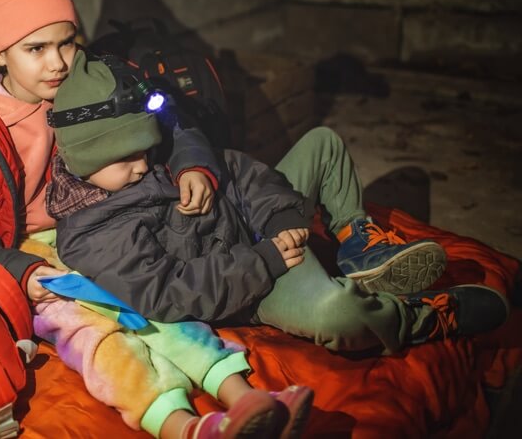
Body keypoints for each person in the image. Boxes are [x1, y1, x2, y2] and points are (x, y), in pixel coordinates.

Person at [0, 0, 308, 439]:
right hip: (33, 251)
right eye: (36, 49)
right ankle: (181, 425)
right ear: (0, 55)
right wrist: (23, 271)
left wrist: (194, 164)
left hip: (111, 219)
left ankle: (246, 398)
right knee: (97, 329)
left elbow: (169, 118)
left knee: (155, 301)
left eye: (66, 42)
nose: (57, 62)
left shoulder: (90, 78)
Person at [48, 50, 510, 354]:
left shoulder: (153, 159)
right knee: (337, 315)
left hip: (265, 230)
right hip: (253, 282)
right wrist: (265, 259)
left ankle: (357, 245)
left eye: (146, 149)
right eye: (126, 158)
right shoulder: (92, 233)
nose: (144, 164)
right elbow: (171, 292)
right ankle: (424, 318)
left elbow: (240, 171)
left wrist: (283, 215)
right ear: (87, 158)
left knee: (322, 142)